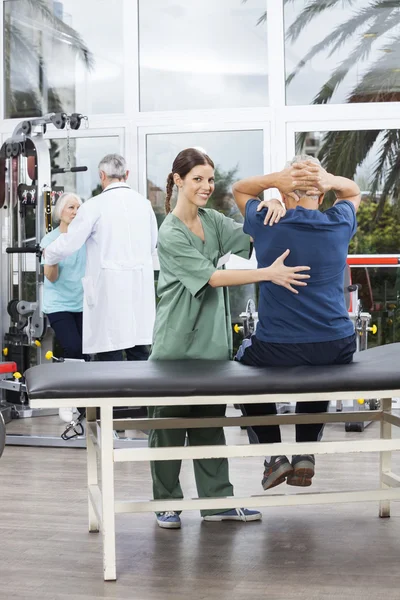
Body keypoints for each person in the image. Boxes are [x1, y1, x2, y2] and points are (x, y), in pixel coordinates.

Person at [149, 147, 311, 529]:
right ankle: (166, 503)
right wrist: (268, 275)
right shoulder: (169, 232)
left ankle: (217, 502)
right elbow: (212, 276)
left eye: (210, 179)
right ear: (178, 181)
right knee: (169, 429)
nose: (207, 186)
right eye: (198, 179)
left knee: (209, 425)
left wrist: (273, 206)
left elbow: (252, 242)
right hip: (175, 344)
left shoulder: (214, 220)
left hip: (212, 344)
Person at [232, 155, 360, 491]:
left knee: (244, 362)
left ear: (287, 191)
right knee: (318, 363)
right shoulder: (339, 222)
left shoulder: (266, 221)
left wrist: (275, 184)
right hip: (337, 345)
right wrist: (328, 180)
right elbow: (353, 192)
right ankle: (305, 452)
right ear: (320, 193)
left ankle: (274, 456)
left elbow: (240, 189)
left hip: (278, 349)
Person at [43, 154, 158, 361]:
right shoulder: (145, 204)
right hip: (138, 290)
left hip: (108, 291)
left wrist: (48, 253)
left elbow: (69, 242)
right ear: (127, 174)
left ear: (101, 175)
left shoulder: (94, 206)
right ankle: (142, 393)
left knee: (110, 353)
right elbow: (152, 244)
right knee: (139, 353)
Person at [41, 192, 86, 423]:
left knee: (85, 352)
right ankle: (68, 400)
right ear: (60, 212)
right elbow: (52, 278)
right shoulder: (50, 240)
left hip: (83, 303)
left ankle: (83, 404)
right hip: (58, 304)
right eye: (71, 207)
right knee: (73, 347)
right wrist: (54, 256)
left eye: (79, 207)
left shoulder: (85, 239)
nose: (76, 211)